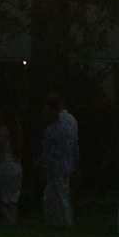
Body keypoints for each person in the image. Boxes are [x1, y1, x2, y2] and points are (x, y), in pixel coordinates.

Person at [38, 95, 79, 228]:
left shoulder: (51, 131)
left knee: (59, 195)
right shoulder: (69, 128)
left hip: (55, 166)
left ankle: (64, 221)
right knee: (58, 193)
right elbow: (74, 147)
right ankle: (58, 221)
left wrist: (44, 167)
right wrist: (75, 163)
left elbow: (49, 151)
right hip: (66, 165)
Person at [0, 123, 23, 224]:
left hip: (5, 169)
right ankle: (13, 221)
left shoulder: (1, 142)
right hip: (17, 169)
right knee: (12, 200)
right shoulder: (16, 143)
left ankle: (9, 219)